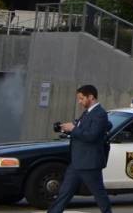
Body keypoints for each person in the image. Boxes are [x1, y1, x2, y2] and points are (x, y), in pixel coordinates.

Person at [45, 84, 114, 213]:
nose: (79, 102)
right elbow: (82, 130)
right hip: (77, 162)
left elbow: (92, 136)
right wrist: (67, 129)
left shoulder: (100, 114)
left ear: (91, 97)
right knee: (64, 193)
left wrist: (73, 129)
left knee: (99, 195)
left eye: (82, 98)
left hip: (89, 163)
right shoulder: (88, 113)